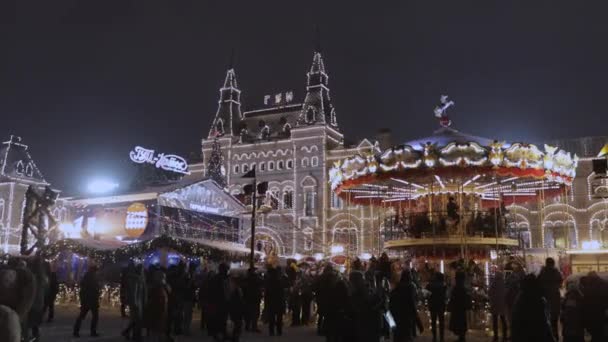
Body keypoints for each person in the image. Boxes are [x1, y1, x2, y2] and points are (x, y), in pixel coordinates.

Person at [350, 272, 382, 342]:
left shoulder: (355, 293)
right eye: (362, 278)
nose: (364, 280)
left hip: (365, 328)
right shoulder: (360, 294)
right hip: (367, 328)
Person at [537, 257, 563, 340]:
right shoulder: (556, 272)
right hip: (554, 299)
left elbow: (538, 283)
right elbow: (560, 282)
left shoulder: (543, 272)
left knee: (546, 321)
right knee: (554, 321)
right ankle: (556, 337)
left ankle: (549, 337)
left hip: (545, 300)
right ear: (553, 264)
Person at [73, 265, 101, 338]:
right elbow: (94, 289)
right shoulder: (92, 278)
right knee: (94, 316)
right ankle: (92, 331)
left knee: (82, 316)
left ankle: (76, 331)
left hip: (87, 300)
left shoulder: (87, 277)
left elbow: (83, 290)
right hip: (91, 300)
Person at [122, 263, 147, 342]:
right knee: (137, 320)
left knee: (135, 320)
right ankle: (136, 336)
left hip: (138, 302)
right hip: (136, 302)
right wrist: (135, 303)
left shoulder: (139, 279)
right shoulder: (136, 279)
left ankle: (129, 333)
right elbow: (134, 292)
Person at [390, 270, 417, 342]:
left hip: (396, 317)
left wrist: (391, 323)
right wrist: (415, 316)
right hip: (406, 317)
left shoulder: (396, 289)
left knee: (397, 336)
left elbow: (390, 306)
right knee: (407, 336)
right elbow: (411, 303)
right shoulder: (410, 287)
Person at [580, 272, 608, 342]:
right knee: (601, 332)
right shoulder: (604, 284)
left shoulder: (589, 286)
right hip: (602, 313)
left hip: (592, 314)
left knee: (595, 333)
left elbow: (585, 301)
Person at [144, 270, 169, 342]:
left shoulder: (160, 288)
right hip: (156, 315)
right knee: (155, 334)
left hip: (159, 315)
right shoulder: (156, 289)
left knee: (157, 334)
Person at [207, 263, 230, 341]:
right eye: (226, 269)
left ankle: (220, 333)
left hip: (220, 302)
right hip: (219, 302)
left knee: (221, 319)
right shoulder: (219, 279)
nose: (227, 271)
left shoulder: (218, 278)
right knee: (219, 319)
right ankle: (218, 334)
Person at [448, 271, 471, 342]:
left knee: (458, 321)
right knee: (462, 321)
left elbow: (453, 297)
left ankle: (461, 336)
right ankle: (462, 336)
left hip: (457, 307)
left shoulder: (457, 287)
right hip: (462, 307)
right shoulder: (463, 287)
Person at [314, 264, 337, 336]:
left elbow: (315, 286)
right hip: (328, 298)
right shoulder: (331, 276)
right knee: (328, 314)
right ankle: (326, 329)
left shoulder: (320, 277)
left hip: (320, 297)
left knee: (321, 314)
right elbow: (333, 286)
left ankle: (319, 329)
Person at [264, 266, 287, 336]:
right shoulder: (280, 281)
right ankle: (279, 331)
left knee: (272, 317)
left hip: (271, 302)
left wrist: (266, 302)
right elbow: (282, 292)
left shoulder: (269, 282)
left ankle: (271, 331)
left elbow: (267, 293)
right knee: (279, 317)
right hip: (279, 301)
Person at [426, 272, 447, 342]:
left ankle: (434, 337)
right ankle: (442, 337)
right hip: (441, 305)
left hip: (433, 305)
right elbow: (445, 296)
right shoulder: (444, 285)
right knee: (441, 321)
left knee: (433, 321)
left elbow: (426, 295)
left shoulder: (430, 285)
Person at [488, 271, 508, 341]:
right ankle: (504, 336)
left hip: (495, 304)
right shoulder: (503, 283)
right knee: (503, 319)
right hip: (502, 304)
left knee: (495, 320)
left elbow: (490, 292)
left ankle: (496, 336)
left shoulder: (494, 283)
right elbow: (506, 293)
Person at [243, 268, 262, 332]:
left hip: (249, 298)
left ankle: (248, 326)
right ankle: (253, 326)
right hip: (254, 298)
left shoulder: (246, 279)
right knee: (254, 313)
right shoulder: (256, 278)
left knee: (248, 313)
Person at [182, 263, 197, 336]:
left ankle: (186, 329)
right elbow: (187, 287)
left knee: (188, 315)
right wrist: (192, 281)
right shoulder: (187, 276)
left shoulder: (188, 275)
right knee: (187, 315)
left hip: (189, 298)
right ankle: (186, 330)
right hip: (187, 298)